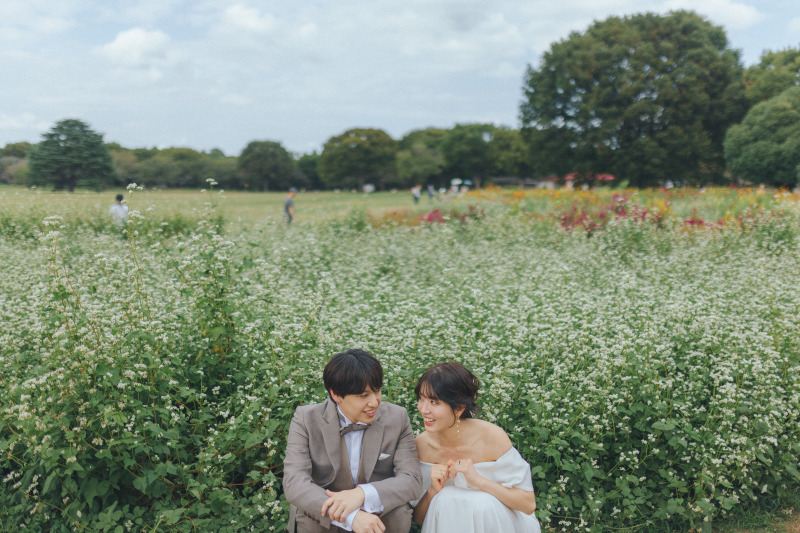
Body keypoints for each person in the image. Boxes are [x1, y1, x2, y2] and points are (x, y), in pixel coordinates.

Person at [283, 349, 423, 533]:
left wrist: (362, 494)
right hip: (323, 519)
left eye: (377, 391)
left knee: (398, 511)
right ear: (336, 395)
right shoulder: (306, 419)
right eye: (363, 396)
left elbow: (411, 480)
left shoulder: (397, 418)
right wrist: (350, 516)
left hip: (380, 519)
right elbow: (295, 482)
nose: (374, 402)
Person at [411, 362, 540, 532]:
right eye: (421, 399)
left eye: (434, 402)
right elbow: (420, 520)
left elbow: (528, 504)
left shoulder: (491, 437)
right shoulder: (422, 445)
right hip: (452, 524)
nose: (424, 409)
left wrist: (478, 480)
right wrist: (432, 490)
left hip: (504, 521)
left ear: (459, 408)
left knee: (481, 504)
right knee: (445, 498)